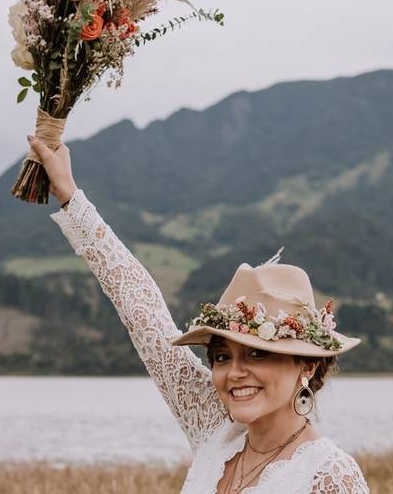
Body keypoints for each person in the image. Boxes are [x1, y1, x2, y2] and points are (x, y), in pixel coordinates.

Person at [27, 135, 371, 493]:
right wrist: (70, 196)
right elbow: (144, 315)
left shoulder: (329, 476)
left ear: (308, 365)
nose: (234, 373)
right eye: (222, 356)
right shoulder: (215, 430)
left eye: (257, 353)